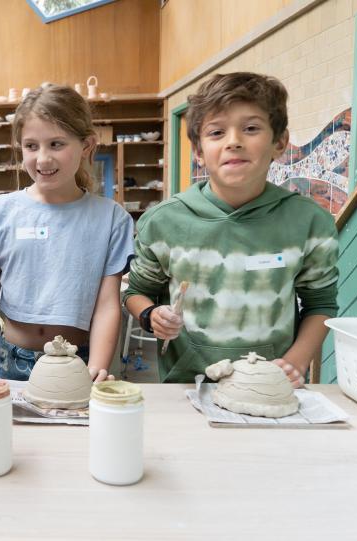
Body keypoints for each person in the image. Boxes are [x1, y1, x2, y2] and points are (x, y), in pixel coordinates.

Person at [123, 72, 339, 387]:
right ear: (198, 151)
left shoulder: (309, 223)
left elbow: (321, 304)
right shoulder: (163, 221)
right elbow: (136, 292)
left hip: (270, 384)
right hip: (187, 384)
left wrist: (296, 361)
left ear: (279, 141)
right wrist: (150, 316)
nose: (233, 141)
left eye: (251, 128)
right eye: (216, 132)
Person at [0, 84, 134, 382]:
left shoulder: (111, 219)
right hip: (13, 359)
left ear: (87, 145)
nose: (43, 159)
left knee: (75, 430)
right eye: (31, 146)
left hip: (78, 361)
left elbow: (106, 306)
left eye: (56, 144)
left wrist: (98, 367)